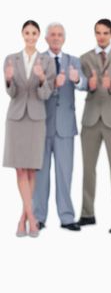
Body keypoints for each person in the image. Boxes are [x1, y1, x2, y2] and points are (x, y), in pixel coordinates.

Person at [3, 20, 56, 237]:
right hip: (16, 119)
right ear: (22, 34)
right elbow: (12, 93)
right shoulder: (10, 59)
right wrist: (7, 80)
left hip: (36, 118)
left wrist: (42, 78)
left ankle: (24, 218)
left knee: (32, 169)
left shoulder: (46, 60)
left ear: (38, 36)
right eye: (27, 32)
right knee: (19, 168)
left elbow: (46, 94)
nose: (31, 36)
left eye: (34, 33)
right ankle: (31, 218)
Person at [33, 23, 87, 231]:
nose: (56, 38)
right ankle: (39, 216)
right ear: (46, 38)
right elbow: (33, 89)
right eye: (52, 35)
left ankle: (66, 217)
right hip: (42, 126)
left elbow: (83, 85)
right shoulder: (38, 60)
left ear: (64, 38)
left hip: (65, 127)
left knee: (65, 173)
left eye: (59, 35)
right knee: (41, 175)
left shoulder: (73, 61)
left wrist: (77, 80)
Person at [78, 19, 111, 232]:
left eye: (105, 32)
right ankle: (87, 214)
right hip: (90, 119)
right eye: (98, 33)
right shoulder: (84, 58)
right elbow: (79, 83)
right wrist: (89, 84)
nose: (101, 36)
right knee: (88, 169)